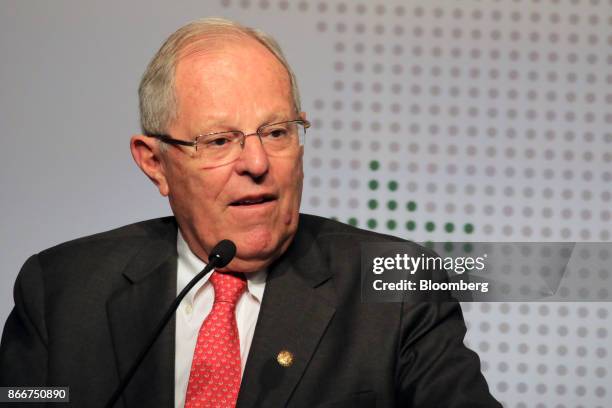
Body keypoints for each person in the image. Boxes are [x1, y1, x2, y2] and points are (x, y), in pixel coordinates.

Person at [0, 18, 501, 407]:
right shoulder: (62, 290)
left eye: (278, 132)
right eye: (219, 141)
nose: (258, 163)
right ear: (156, 163)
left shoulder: (399, 291)